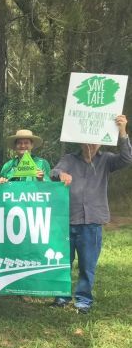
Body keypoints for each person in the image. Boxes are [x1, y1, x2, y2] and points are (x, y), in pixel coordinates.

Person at [50, 115, 131, 313]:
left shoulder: (107, 160)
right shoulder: (69, 159)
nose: (90, 144)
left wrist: (122, 131)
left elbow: (127, 158)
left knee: (87, 265)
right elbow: (54, 172)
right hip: (68, 221)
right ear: (80, 140)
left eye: (94, 140)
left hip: (92, 222)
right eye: (86, 140)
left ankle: (83, 300)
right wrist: (61, 174)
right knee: (63, 262)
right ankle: (61, 297)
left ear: (100, 141)